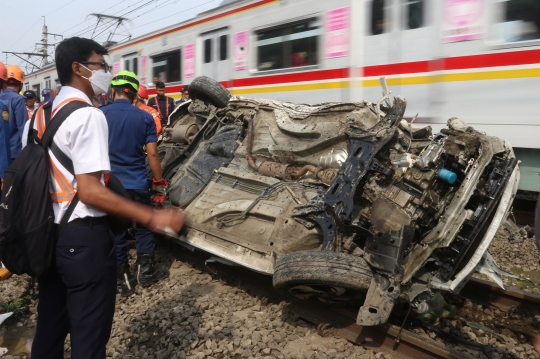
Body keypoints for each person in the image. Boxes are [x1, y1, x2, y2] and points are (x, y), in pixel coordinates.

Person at [30, 37, 184, 359]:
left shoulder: (41, 114)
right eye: (100, 65)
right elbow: (90, 190)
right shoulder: (88, 115)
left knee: (49, 331)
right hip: (83, 239)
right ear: (78, 69)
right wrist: (151, 216)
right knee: (88, 338)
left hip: (47, 235)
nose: (106, 73)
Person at [101, 70, 169, 297]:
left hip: (111, 184)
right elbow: (152, 155)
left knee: (117, 229)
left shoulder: (99, 114)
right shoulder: (145, 117)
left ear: (114, 91)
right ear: (135, 94)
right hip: (138, 182)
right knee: (143, 224)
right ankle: (145, 272)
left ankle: (122, 278)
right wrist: (158, 182)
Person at [0, 65, 27, 162]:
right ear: (20, 84)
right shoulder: (19, 100)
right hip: (15, 153)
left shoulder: (1, 98)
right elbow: (23, 128)